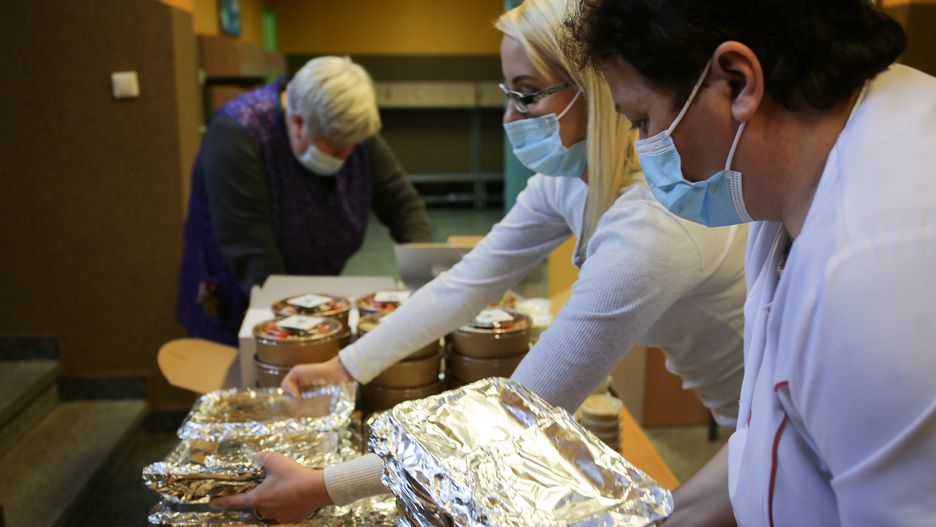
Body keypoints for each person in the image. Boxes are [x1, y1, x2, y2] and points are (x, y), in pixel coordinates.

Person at [211, 0, 748, 522]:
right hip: (745, 418)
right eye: (508, 94)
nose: (510, 116)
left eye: (528, 95)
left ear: (602, 89)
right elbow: (465, 284)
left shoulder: (652, 225)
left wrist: (321, 486)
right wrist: (344, 366)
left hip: (766, 415)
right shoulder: (570, 181)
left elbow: (516, 415)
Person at [568, 0, 936, 525]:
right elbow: (767, 440)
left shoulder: (873, 278)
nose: (645, 148)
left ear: (738, 82)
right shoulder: (788, 180)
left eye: (643, 121)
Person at [176, 56, 431, 346]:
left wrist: (424, 277)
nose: (346, 156)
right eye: (335, 148)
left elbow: (402, 205)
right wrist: (302, 331)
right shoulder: (237, 134)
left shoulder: (350, 130)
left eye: (352, 146)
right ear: (298, 123)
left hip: (309, 292)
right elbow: (252, 250)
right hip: (240, 294)